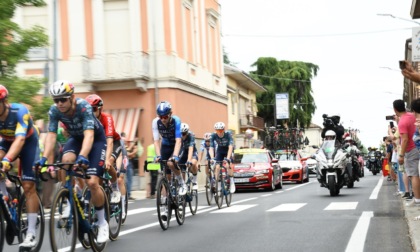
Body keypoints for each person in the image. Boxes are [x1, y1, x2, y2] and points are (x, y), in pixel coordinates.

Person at [35, 80, 109, 243]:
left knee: (92, 183)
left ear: (72, 97)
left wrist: (83, 156)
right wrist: (44, 158)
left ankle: (102, 222)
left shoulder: (84, 107)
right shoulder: (54, 111)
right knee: (65, 160)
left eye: (63, 99)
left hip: (95, 140)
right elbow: (52, 136)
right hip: (75, 138)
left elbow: (89, 135)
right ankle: (70, 195)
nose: (59, 103)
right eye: (56, 100)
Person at [0, 85, 40, 248]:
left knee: (28, 186)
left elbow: (20, 140)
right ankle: (5, 199)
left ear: (5, 101)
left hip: (27, 144)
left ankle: (30, 233)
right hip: (7, 143)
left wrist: (7, 160)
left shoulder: (19, 112)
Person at [85, 94, 124, 204]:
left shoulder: (107, 118)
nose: (91, 112)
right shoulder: (86, 120)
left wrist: (107, 160)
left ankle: (115, 189)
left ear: (100, 108)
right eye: (88, 109)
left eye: (93, 109)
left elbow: (110, 141)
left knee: (108, 163)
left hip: (113, 142)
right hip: (98, 144)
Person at [392, 99, 420, 208]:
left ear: (395, 109)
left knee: (413, 175)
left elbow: (404, 139)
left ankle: (417, 200)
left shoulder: (403, 121)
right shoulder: (412, 116)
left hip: (411, 150)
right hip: (417, 147)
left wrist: (401, 155)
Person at [209, 122, 236, 193]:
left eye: (221, 130)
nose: (219, 132)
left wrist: (227, 158)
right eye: (218, 130)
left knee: (228, 165)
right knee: (217, 166)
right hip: (220, 150)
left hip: (228, 150)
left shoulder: (228, 134)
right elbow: (211, 147)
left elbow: (230, 147)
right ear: (215, 130)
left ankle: (232, 182)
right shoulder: (213, 135)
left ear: (224, 130)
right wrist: (212, 158)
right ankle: (218, 184)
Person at [179, 123, 199, 190]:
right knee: (182, 170)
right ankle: (183, 186)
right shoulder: (179, 137)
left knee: (193, 163)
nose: (182, 135)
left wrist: (189, 160)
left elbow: (191, 149)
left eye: (184, 134)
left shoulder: (191, 136)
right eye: (181, 133)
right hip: (184, 152)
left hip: (192, 151)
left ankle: (195, 181)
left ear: (187, 132)